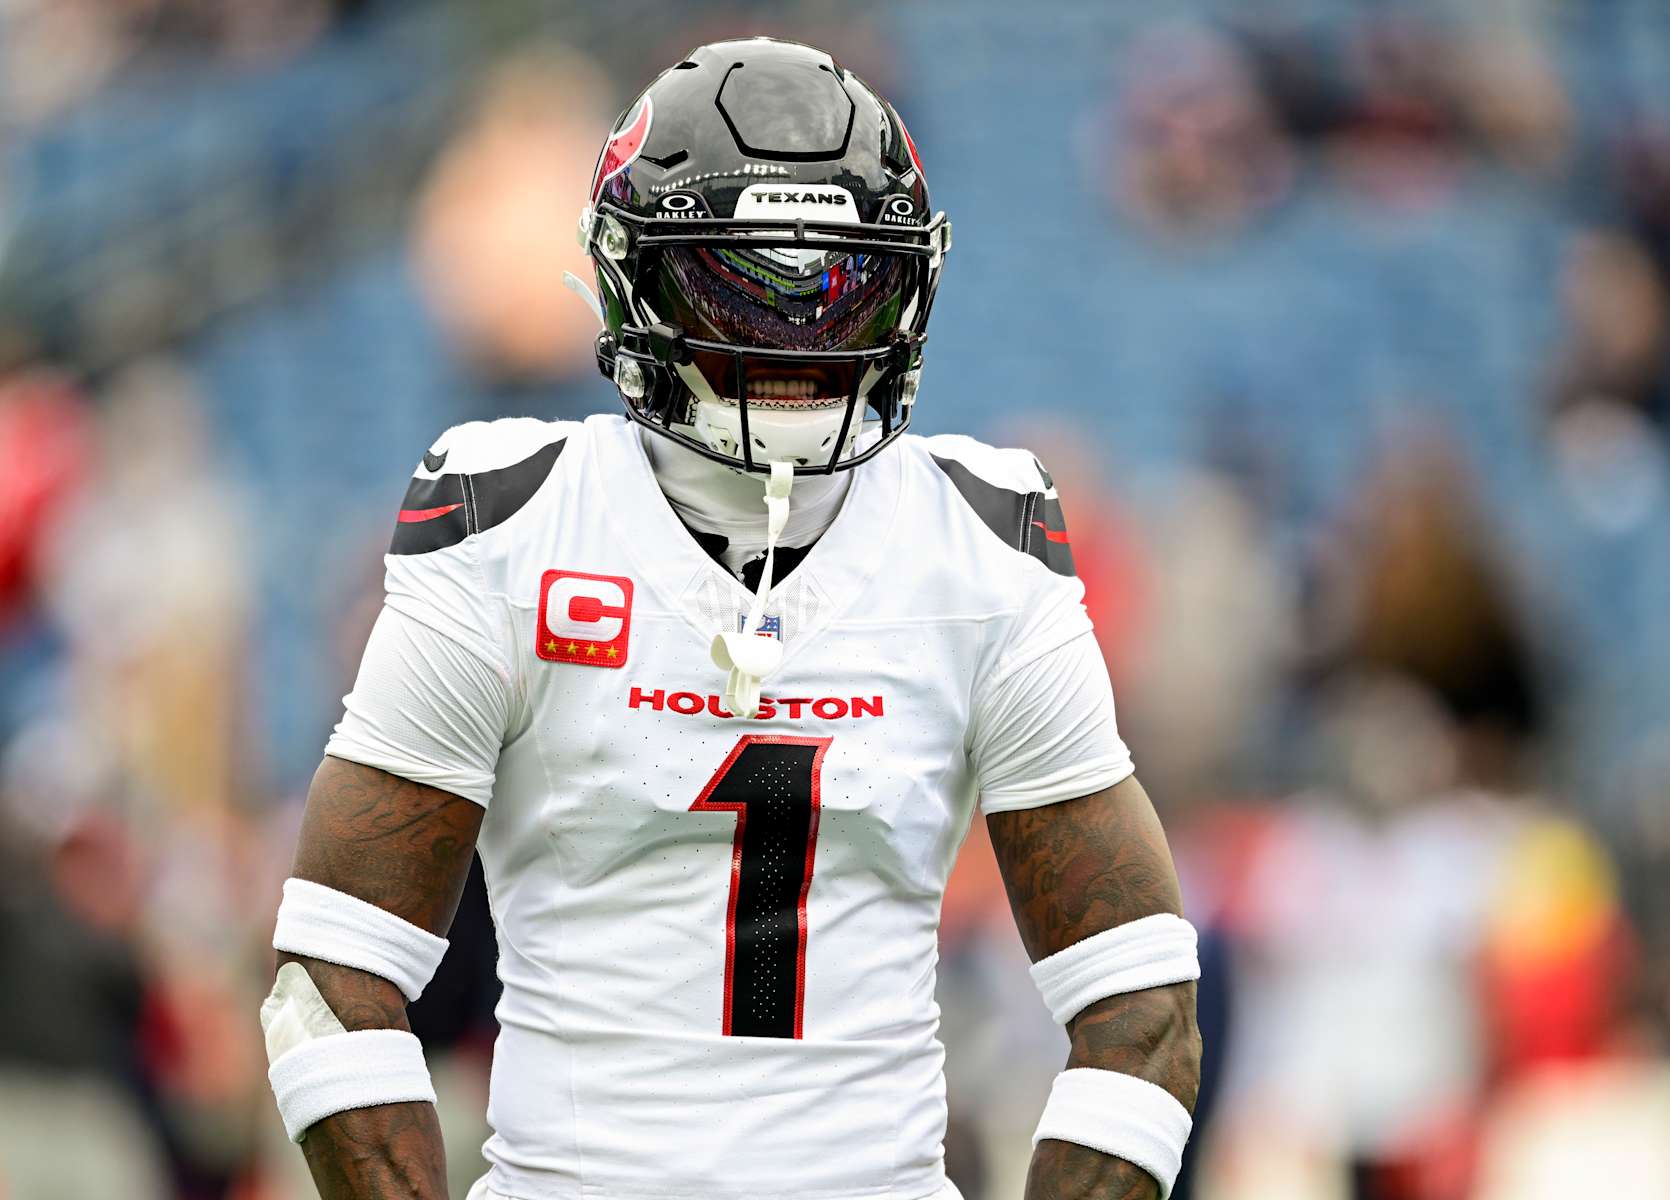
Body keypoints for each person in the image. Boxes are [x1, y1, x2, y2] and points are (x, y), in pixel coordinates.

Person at [258, 38, 1200, 1200]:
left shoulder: (979, 547)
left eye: (839, 283)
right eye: (743, 281)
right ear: (634, 281)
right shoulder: (514, 524)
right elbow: (334, 977)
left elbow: (1145, 1006)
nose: (796, 339)